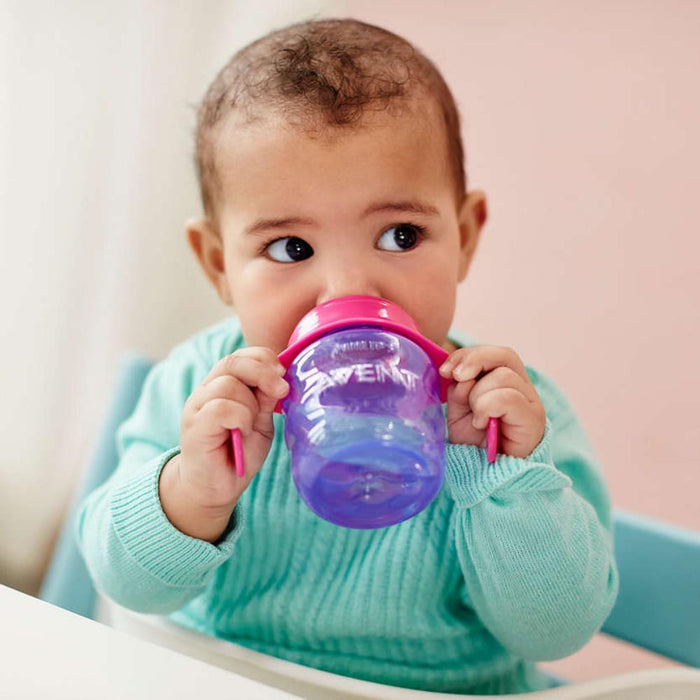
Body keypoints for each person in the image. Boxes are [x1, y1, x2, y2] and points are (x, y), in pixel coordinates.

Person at [76, 18, 618, 695]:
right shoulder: (201, 388)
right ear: (219, 264)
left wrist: (505, 478)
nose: (349, 291)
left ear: (466, 235)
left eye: (400, 234)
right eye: (290, 249)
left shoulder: (507, 414)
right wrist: (192, 491)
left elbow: (555, 632)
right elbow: (123, 584)